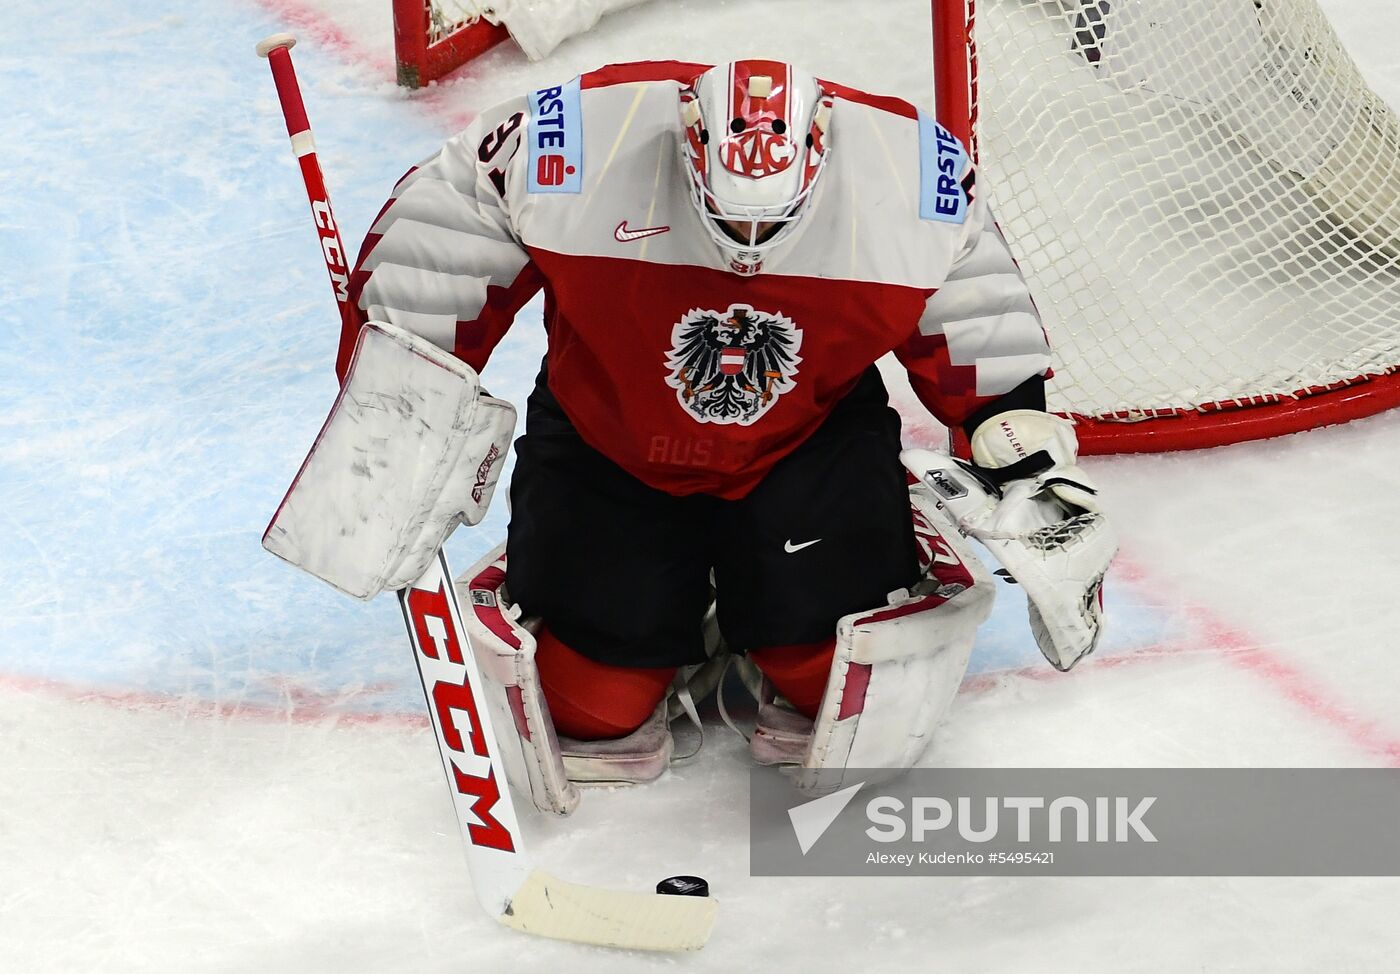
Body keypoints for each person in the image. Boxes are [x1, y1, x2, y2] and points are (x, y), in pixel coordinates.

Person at [338, 59, 1113, 804]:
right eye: (727, 212)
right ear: (687, 144)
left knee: (834, 695)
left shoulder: (910, 174)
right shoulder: (577, 134)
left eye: (769, 218)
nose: (746, 241)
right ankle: (689, 598)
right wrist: (403, 384)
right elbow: (446, 225)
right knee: (593, 713)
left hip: (804, 439)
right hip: (612, 433)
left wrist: (1025, 460)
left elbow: (981, 319)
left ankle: (767, 591)